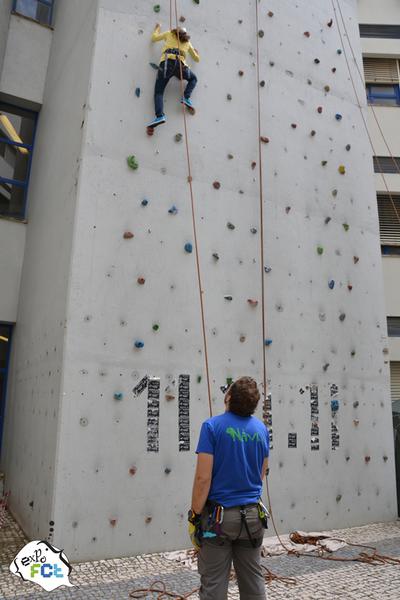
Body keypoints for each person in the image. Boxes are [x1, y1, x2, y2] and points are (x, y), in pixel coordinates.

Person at [188, 376, 270, 600]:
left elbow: (203, 479)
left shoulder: (212, 426)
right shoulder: (261, 429)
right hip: (253, 517)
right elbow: (262, 472)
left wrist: (195, 514)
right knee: (253, 581)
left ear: (229, 397)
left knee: (213, 583)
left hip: (218, 520)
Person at [148, 24, 200, 128]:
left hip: (167, 64)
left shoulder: (169, 33)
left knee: (159, 91)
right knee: (193, 78)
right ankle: (186, 97)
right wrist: (196, 53)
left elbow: (154, 38)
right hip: (181, 67)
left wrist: (157, 28)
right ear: (185, 34)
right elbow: (197, 59)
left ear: (176, 30)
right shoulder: (187, 42)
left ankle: (160, 116)